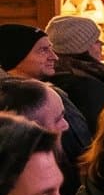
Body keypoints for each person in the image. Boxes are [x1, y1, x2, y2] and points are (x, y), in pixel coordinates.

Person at [3, 24, 96, 168]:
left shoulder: (54, 91)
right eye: (43, 50)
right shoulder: (14, 105)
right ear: (16, 57)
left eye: (50, 48)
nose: (54, 57)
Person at [46, 15, 104, 129]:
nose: (101, 44)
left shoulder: (61, 74)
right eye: (95, 41)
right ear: (81, 49)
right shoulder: (83, 83)